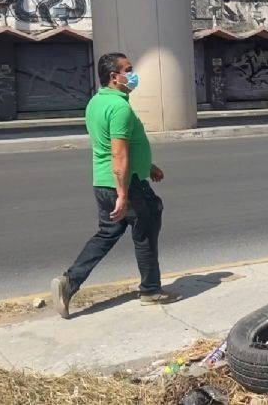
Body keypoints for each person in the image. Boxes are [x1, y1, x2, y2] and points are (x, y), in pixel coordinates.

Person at [51, 52, 179, 318]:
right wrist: (123, 195)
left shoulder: (96, 102)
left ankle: (68, 282)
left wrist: (148, 167)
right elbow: (119, 153)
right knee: (147, 224)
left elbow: (120, 146)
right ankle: (151, 290)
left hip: (103, 181)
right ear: (114, 76)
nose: (133, 75)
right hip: (125, 184)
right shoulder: (119, 108)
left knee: (107, 233)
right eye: (128, 70)